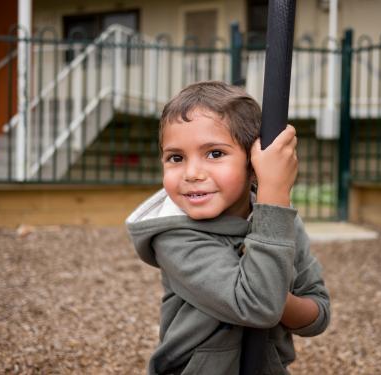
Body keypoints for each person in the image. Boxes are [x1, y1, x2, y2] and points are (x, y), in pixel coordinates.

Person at [126, 81, 330, 374]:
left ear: (253, 163)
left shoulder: (282, 222)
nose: (192, 173)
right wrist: (268, 290)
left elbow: (318, 314)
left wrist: (274, 294)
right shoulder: (175, 237)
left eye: (215, 154)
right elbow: (257, 305)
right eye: (176, 158)